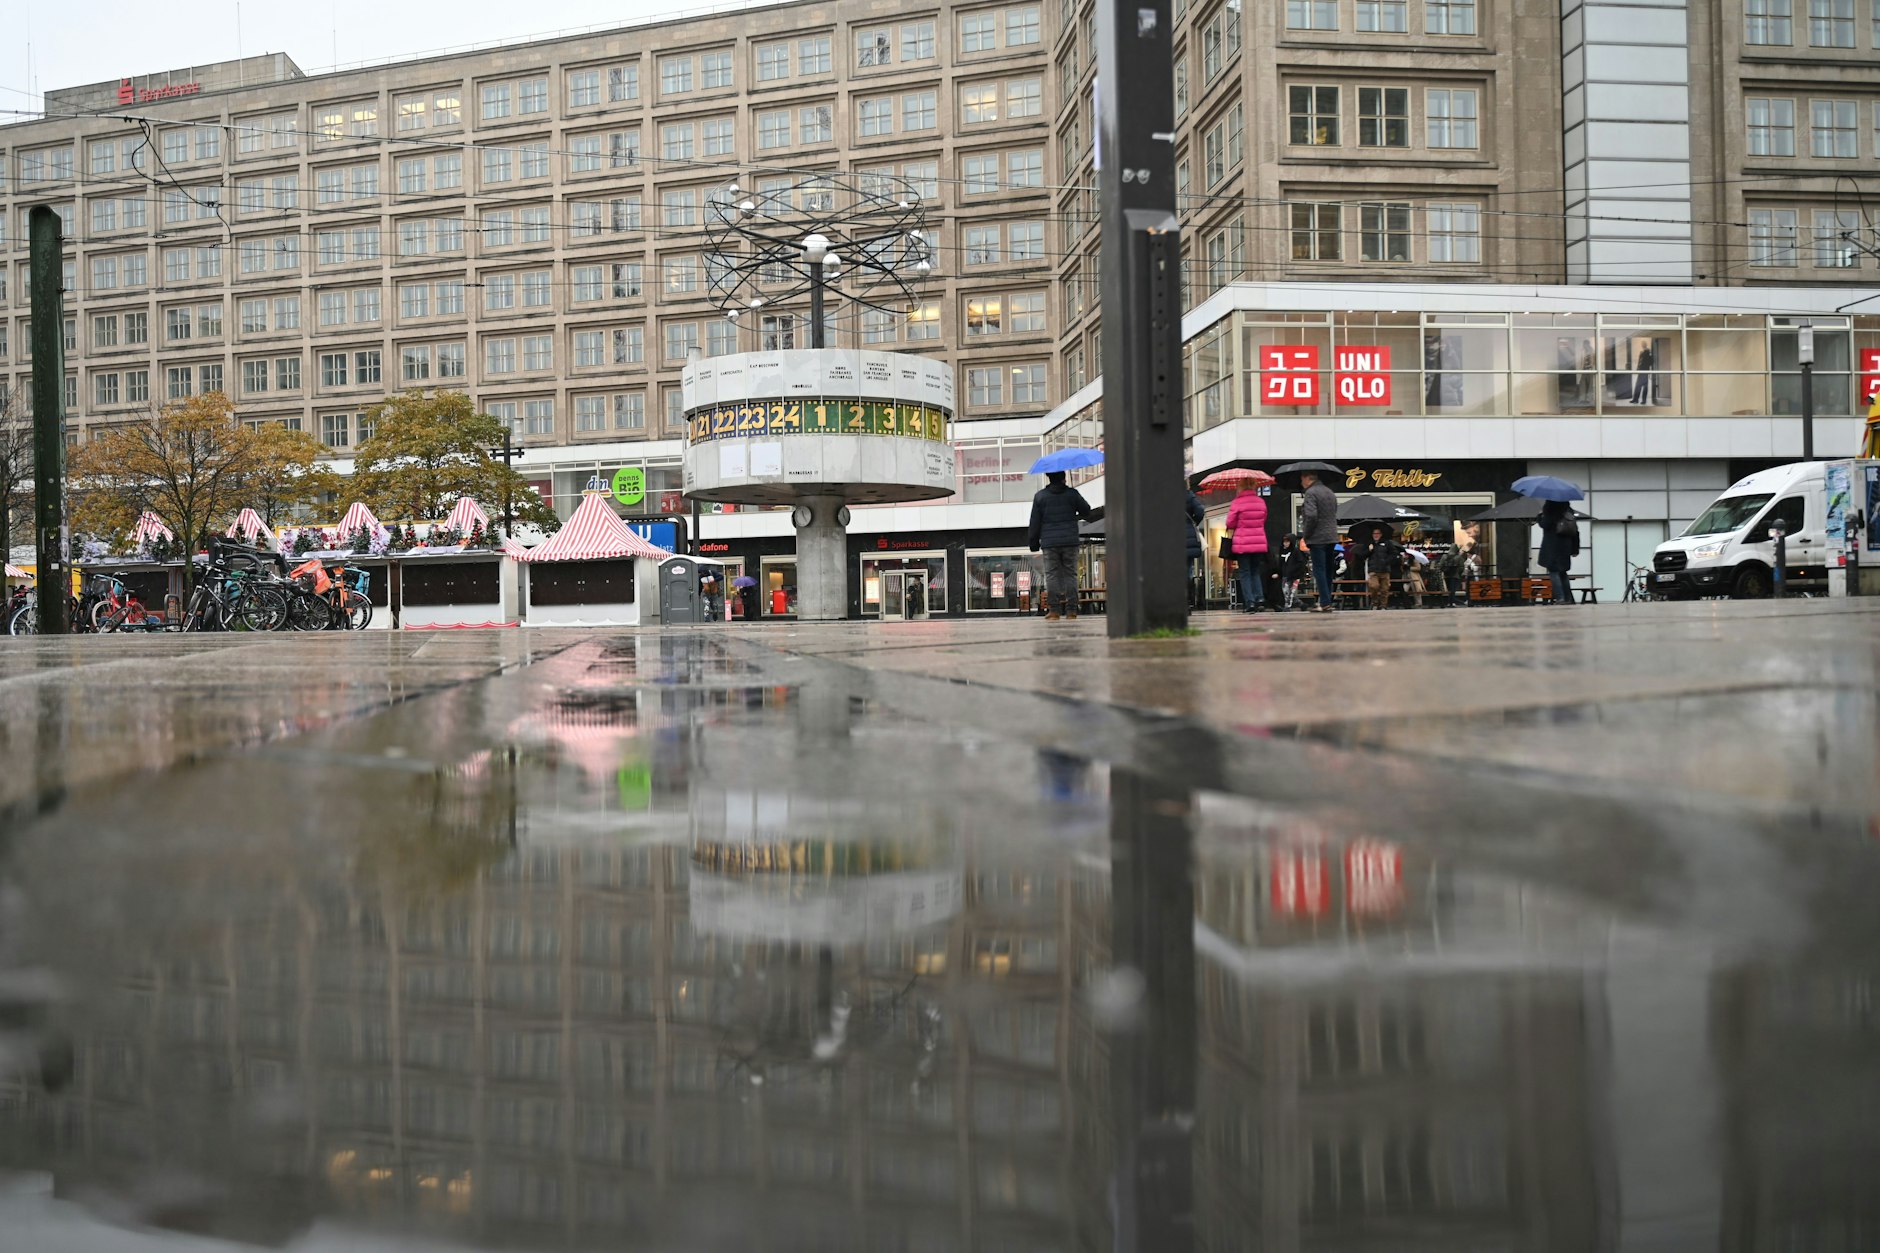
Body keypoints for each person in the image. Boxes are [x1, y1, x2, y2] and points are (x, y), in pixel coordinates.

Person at [1027, 470, 1095, 621]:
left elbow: (1035, 522)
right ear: (1064, 478)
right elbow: (1087, 510)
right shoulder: (1072, 494)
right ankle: (1071, 611)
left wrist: (1033, 543)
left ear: (1048, 477)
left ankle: (1054, 611)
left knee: (1051, 575)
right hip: (1070, 540)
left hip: (1050, 542)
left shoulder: (1040, 497)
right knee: (1071, 575)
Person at [1298, 471, 1341, 613]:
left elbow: (1311, 515)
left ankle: (1324, 602)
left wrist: (1306, 534)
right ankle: (1327, 600)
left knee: (1319, 570)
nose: (1301, 482)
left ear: (1307, 478)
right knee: (1328, 570)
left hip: (1317, 537)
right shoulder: (1329, 492)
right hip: (1331, 536)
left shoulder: (1311, 493)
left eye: (1302, 479)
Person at [1224, 485, 1270, 612]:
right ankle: (1260, 598)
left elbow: (1230, 523)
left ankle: (1250, 602)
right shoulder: (1261, 502)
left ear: (1241, 488)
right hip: (1259, 541)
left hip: (1243, 542)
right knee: (1255, 571)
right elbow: (1263, 519)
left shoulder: (1237, 502)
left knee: (1245, 572)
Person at [1538, 499, 1581, 605]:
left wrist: (1539, 516)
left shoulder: (1551, 512)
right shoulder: (1568, 513)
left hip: (1552, 547)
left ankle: (1560, 598)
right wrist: (1575, 549)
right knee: (1563, 573)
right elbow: (1575, 532)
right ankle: (1568, 598)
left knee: (1553, 572)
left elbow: (1545, 524)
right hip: (1565, 547)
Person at [1363, 524, 1399, 609]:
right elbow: (1363, 556)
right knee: (1374, 586)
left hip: (1385, 569)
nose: (1376, 535)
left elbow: (1394, 553)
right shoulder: (1369, 543)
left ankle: (1383, 605)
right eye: (1374, 533)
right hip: (1373, 570)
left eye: (1377, 533)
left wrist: (1386, 561)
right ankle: (1375, 602)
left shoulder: (1387, 543)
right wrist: (1369, 550)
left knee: (1384, 589)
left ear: (1381, 534)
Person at [1183, 489, 1207, 609]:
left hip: (1170, 536)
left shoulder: (1164, 494)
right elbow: (1200, 510)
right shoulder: (1188, 494)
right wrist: (1193, 523)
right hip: (1188, 538)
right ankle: (1187, 601)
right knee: (1187, 571)